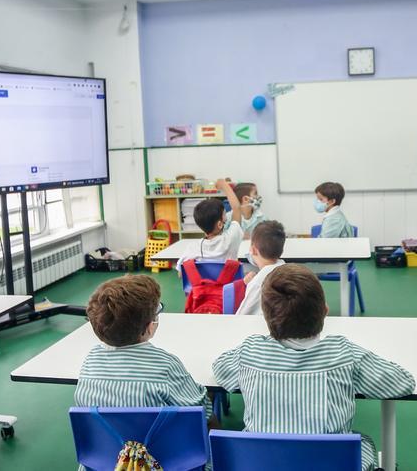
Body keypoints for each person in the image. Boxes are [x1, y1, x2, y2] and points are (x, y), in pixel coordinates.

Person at [213, 265, 415, 471]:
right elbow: (402, 383)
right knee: (363, 443)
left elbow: (220, 368)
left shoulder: (250, 351)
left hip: (264, 463)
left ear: (266, 317)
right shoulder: (345, 353)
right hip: (330, 463)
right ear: (325, 311)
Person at [76, 275, 209, 419]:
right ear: (150, 326)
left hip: (109, 441)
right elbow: (201, 414)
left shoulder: (91, 360)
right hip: (159, 442)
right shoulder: (166, 365)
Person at [178, 178, 245, 270]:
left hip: (204, 284)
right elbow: (237, 208)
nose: (226, 216)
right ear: (220, 224)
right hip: (229, 284)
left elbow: (181, 272)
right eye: (224, 214)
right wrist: (224, 185)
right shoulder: (231, 239)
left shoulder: (193, 248)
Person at [235, 220, 287, 315]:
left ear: (253, 250)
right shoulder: (291, 272)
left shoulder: (258, 283)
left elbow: (241, 316)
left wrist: (250, 285)